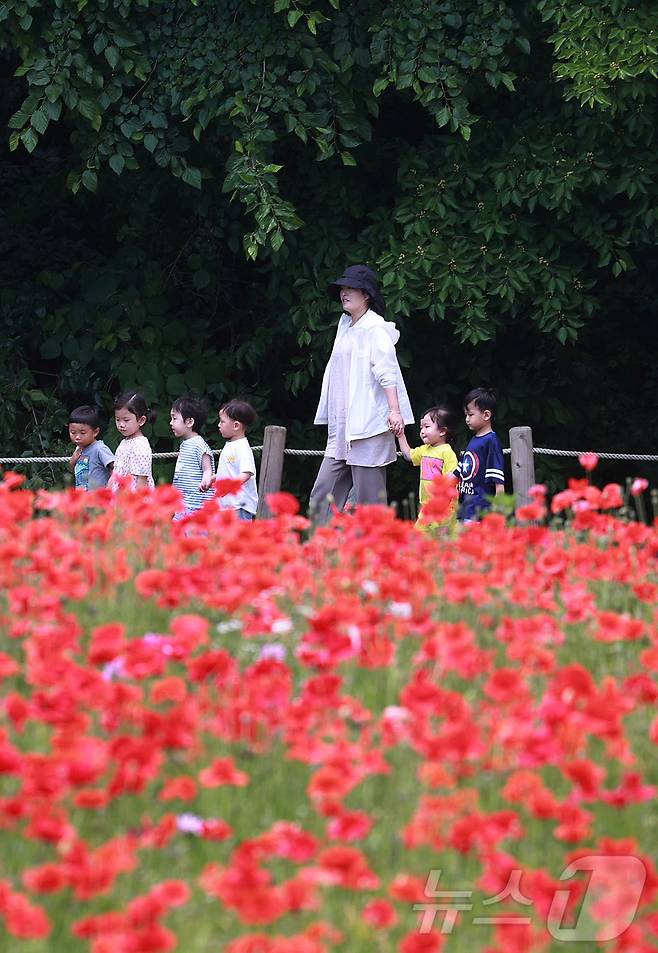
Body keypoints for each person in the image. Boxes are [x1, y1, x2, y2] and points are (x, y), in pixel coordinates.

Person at [309, 264, 413, 523]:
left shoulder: (376, 328)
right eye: (342, 289)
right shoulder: (345, 325)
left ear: (366, 294)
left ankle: (374, 558)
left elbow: (386, 372)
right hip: (342, 429)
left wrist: (395, 411)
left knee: (369, 504)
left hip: (368, 426)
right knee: (322, 494)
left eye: (350, 288)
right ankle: (318, 551)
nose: (344, 293)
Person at [397, 405, 459, 527]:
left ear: (442, 431)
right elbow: (409, 455)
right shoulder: (425, 450)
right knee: (419, 538)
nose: (422, 431)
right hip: (426, 506)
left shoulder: (447, 452)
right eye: (421, 427)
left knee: (440, 541)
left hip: (443, 509)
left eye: (427, 426)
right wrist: (400, 436)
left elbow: (452, 479)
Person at [456, 387, 505, 521]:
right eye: (466, 415)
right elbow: (464, 465)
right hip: (465, 505)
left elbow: (497, 474)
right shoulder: (474, 440)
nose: (466, 419)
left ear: (486, 415)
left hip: (479, 508)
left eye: (470, 415)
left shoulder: (491, 440)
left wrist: (499, 498)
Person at [170, 395, 216, 520]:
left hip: (197, 507)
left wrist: (206, 480)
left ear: (189, 422)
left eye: (174, 418)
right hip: (183, 504)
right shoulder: (185, 444)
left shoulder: (199, 445)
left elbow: (207, 469)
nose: (171, 423)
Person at [215, 399, 258, 520]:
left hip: (239, 506)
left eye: (222, 421)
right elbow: (229, 471)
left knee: (239, 538)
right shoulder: (230, 445)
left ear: (236, 425)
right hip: (228, 506)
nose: (219, 424)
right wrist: (213, 478)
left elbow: (246, 473)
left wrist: (228, 487)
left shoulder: (242, 447)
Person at [108, 392, 155, 492]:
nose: (121, 424)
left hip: (132, 497)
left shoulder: (141, 445)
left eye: (126, 420)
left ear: (141, 420)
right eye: (117, 419)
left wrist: (136, 504)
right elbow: (116, 473)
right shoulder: (124, 442)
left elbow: (142, 480)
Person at [68, 405, 115, 490]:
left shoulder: (99, 449)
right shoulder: (78, 449)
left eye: (82, 433)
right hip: (82, 498)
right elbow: (74, 472)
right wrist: (72, 461)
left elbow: (115, 468)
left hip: (98, 499)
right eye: (73, 432)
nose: (77, 437)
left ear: (95, 432)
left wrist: (109, 489)